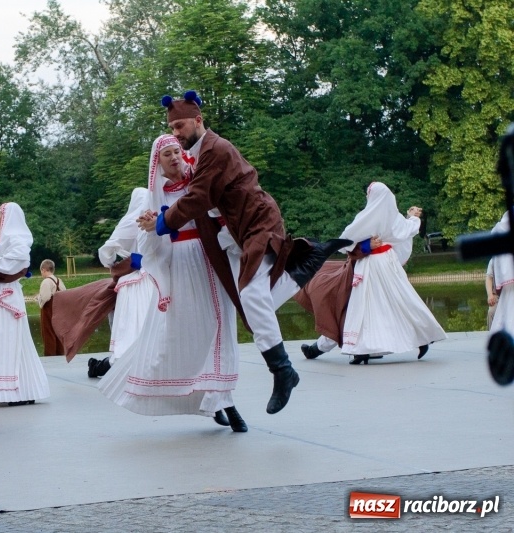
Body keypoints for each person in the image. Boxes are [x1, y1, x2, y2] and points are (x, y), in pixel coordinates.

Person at [150, 91, 351, 414]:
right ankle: (305, 265)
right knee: (253, 304)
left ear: (199, 121)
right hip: (239, 232)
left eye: (181, 126)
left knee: (253, 298)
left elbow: (198, 198)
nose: (176, 133)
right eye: (172, 128)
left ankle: (283, 372)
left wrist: (163, 221)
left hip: (259, 225)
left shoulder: (215, 149)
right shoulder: (202, 153)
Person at [100, 133, 248, 432]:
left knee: (220, 330)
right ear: (158, 162)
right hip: (181, 267)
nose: (174, 156)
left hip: (212, 260)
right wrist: (153, 228)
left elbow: (226, 215)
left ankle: (226, 402)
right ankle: (205, 399)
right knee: (187, 334)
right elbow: (147, 243)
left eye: (176, 151)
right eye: (166, 154)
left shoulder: (200, 183)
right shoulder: (154, 197)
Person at [298, 182, 446, 364]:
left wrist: (368, 244)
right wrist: (412, 218)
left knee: (365, 306)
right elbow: (408, 229)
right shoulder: (394, 217)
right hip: (386, 265)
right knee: (398, 302)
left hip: (370, 266)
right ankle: (414, 339)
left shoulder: (367, 217)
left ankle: (362, 350)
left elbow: (345, 242)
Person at [0, 202, 50, 406]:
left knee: (7, 338)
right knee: (4, 339)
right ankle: (24, 388)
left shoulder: (16, 238)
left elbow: (21, 258)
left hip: (4, 295)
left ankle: (11, 389)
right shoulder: (5, 240)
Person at [86, 187, 157, 378]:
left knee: (131, 324)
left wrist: (113, 264)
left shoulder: (129, 221)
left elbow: (107, 250)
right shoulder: (153, 220)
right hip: (150, 280)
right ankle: (141, 361)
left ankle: (112, 364)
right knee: (143, 321)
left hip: (132, 281)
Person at [36, 259, 66, 356]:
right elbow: (64, 293)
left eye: (41, 271)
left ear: (44, 270)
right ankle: (60, 353)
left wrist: (38, 299)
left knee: (48, 333)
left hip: (48, 310)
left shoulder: (46, 282)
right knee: (58, 332)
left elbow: (45, 297)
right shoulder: (59, 280)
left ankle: (50, 355)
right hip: (58, 310)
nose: (41, 274)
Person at [487, 259, 499, 330]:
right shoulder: (493, 260)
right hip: (497, 295)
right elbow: (489, 277)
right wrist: (490, 295)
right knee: (491, 312)